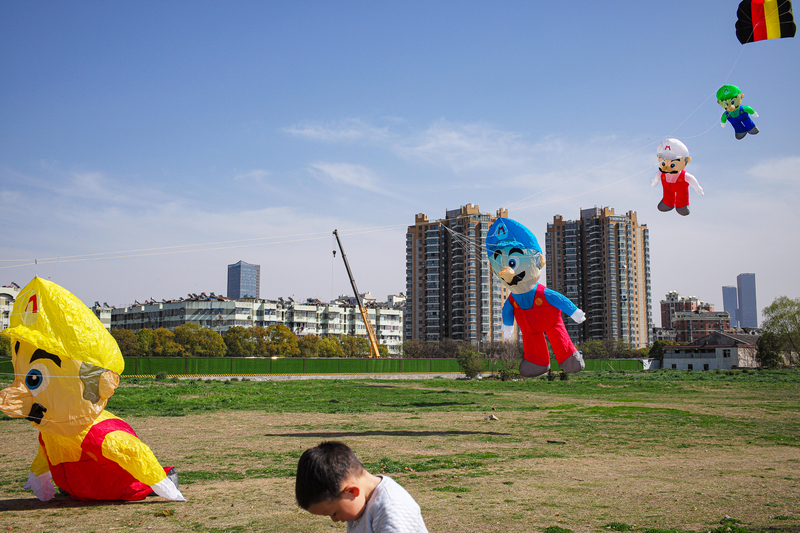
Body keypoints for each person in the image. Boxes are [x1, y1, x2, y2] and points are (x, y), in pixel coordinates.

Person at [295, 441, 428, 532]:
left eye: (334, 513)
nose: (335, 520)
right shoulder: (359, 501)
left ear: (352, 491)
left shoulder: (391, 508)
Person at [651, 138, 703, 216]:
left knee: (682, 195)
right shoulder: (662, 173)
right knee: (667, 194)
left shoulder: (685, 176)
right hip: (667, 188)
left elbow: (692, 180)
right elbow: (656, 178)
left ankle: (682, 206)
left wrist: (697, 188)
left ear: (687, 160)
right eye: (663, 163)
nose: (667, 167)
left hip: (681, 187)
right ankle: (667, 203)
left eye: (672, 165)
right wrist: (654, 182)